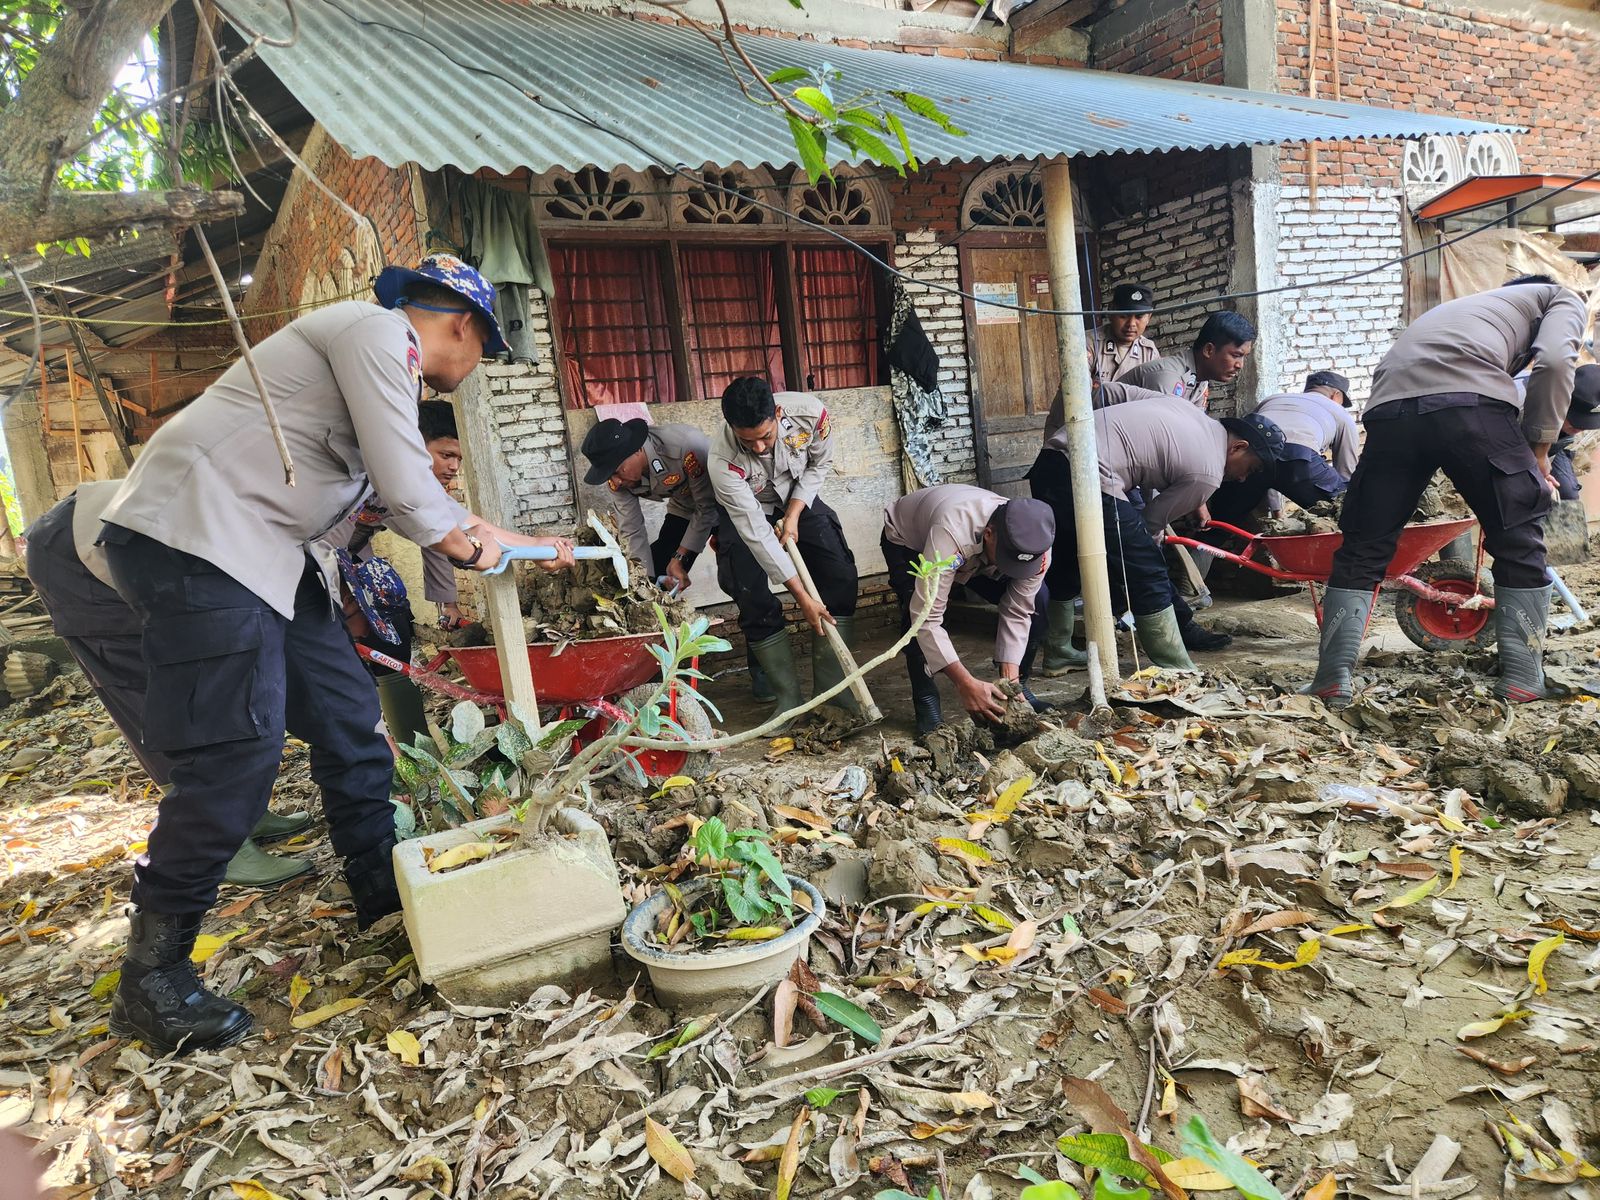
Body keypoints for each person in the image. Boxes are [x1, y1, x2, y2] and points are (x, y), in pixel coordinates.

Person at [91, 253, 574, 1056]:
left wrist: (534, 544)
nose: (476, 368)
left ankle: (383, 897)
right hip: (199, 544)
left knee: (354, 723)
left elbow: (427, 502)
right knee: (237, 756)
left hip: (269, 560)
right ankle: (153, 978)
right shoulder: (379, 336)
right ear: (463, 326)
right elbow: (420, 501)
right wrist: (475, 548)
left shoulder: (369, 361)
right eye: (484, 351)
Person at [1303, 275, 1587, 708]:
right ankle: (1523, 679)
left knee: (1364, 544)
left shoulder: (1465, 310)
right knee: (1517, 537)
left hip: (1389, 410)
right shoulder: (1561, 295)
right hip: (1469, 402)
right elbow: (1553, 361)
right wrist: (1540, 449)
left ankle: (1331, 678)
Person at [24, 481, 314, 888]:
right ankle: (217, 842)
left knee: (218, 679)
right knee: (157, 687)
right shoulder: (284, 518)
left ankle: (241, 811)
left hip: (144, 546)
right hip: (76, 554)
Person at [1029, 397, 1283, 669]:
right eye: (1251, 467)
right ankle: (1176, 666)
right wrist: (1146, 549)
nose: (1244, 478)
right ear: (1238, 447)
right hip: (1086, 473)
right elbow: (1151, 521)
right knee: (1146, 567)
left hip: (1052, 461)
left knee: (1067, 558)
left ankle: (1059, 651)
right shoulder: (1208, 473)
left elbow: (1114, 390)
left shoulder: (1188, 410)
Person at [323, 400, 470, 749]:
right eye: (445, 454)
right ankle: (371, 749)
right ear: (413, 443)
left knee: (391, 638)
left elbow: (436, 537)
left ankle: (414, 748)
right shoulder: (369, 469)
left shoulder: (420, 488)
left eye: (459, 459)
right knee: (339, 657)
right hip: (310, 560)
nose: (453, 467)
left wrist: (448, 604)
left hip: (355, 555)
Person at [711, 377, 859, 718]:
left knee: (839, 572)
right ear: (732, 428)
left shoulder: (810, 415)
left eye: (766, 436)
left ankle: (833, 694)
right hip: (751, 507)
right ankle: (787, 701)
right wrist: (802, 598)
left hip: (798, 495)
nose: (760, 448)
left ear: (778, 413)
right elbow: (756, 534)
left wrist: (793, 512)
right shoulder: (722, 461)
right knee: (747, 587)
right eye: (749, 442)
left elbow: (819, 464)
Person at [881, 486, 1053, 734]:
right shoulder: (951, 531)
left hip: (977, 556)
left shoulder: (1038, 545)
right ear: (990, 534)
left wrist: (1009, 680)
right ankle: (926, 701)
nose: (1013, 569)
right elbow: (927, 619)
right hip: (911, 541)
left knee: (1038, 601)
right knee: (915, 613)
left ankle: (1019, 688)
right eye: (1008, 559)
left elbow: (1018, 610)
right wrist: (964, 683)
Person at [580, 418, 717, 593]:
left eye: (617, 470)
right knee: (657, 574)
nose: (616, 481)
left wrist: (680, 556)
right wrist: (643, 584)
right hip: (686, 507)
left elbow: (708, 508)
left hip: (727, 503)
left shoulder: (685, 446)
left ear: (637, 449)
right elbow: (631, 530)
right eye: (608, 475)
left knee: (737, 572)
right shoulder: (618, 482)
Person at [1208, 370, 1360, 525]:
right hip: (1301, 457)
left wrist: (1276, 510)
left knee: (1222, 522)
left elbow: (1267, 454)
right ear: (1337, 395)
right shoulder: (1340, 413)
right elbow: (1347, 473)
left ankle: (1204, 546)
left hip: (1249, 459)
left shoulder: (1273, 399)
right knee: (1347, 511)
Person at [1121, 311, 1256, 410]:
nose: (1240, 365)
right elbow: (1165, 436)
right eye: (1235, 355)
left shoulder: (1200, 381)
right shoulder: (1167, 377)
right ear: (1209, 350)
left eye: (1244, 357)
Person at [1090, 283, 1161, 382]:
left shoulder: (1149, 352)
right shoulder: (1091, 343)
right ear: (1110, 312)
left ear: (1149, 317)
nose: (1131, 324)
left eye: (1139, 317)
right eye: (1124, 316)